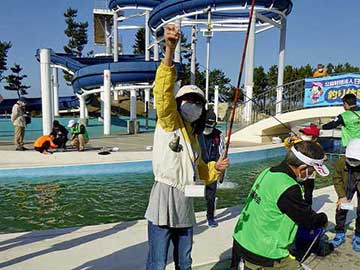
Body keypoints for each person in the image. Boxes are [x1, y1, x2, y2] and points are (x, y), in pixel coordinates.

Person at [145, 24, 229, 270]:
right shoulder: (168, 120)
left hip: (186, 200)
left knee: (185, 260)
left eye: (197, 102)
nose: (192, 105)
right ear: (178, 102)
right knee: (158, 262)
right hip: (164, 197)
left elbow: (200, 172)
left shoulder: (194, 139)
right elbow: (162, 93)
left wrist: (217, 167)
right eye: (187, 100)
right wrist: (169, 50)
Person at [231, 141, 329, 270]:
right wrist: (323, 219)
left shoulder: (268, 172)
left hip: (241, 240)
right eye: (311, 171)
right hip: (264, 253)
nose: (311, 175)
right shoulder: (288, 187)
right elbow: (307, 219)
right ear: (302, 169)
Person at [330, 139, 360, 251]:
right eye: (350, 158)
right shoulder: (341, 162)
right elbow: (337, 178)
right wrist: (342, 196)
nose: (352, 161)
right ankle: (339, 233)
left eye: (355, 159)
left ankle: (358, 235)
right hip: (348, 184)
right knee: (341, 209)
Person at [198, 109, 225, 227]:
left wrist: (222, 174)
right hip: (198, 169)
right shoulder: (196, 133)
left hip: (213, 169)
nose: (208, 127)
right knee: (189, 194)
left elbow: (222, 154)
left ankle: (210, 217)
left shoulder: (219, 135)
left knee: (211, 196)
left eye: (211, 124)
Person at [284, 124, 321, 205]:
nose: (303, 135)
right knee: (295, 190)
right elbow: (286, 143)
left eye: (307, 134)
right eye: (303, 133)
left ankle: (308, 208)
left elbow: (322, 157)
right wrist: (291, 139)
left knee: (308, 193)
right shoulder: (297, 142)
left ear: (314, 138)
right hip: (297, 172)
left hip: (310, 175)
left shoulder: (317, 147)